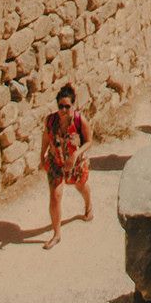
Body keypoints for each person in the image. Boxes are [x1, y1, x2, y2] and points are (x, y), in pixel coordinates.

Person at [40, 84, 93, 249]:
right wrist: (42, 155)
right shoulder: (50, 120)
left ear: (73, 105)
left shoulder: (79, 120)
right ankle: (56, 235)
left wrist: (76, 155)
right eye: (60, 106)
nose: (63, 110)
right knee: (55, 196)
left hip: (75, 163)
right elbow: (46, 137)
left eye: (67, 106)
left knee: (80, 185)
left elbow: (89, 141)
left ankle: (89, 206)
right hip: (56, 162)